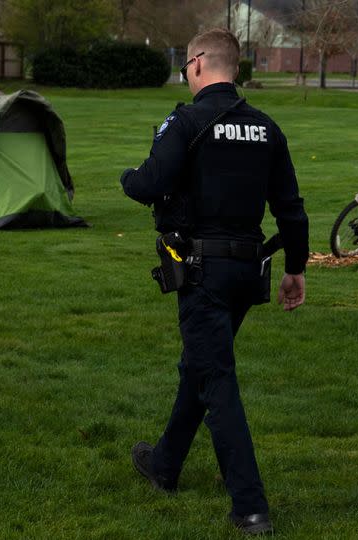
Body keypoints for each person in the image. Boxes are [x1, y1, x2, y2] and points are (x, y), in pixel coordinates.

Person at [120, 28, 308, 536]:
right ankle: (163, 465)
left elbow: (149, 184)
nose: (185, 73)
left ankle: (250, 506)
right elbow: (290, 208)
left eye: (185, 66)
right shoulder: (267, 128)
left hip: (203, 273)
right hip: (249, 272)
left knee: (216, 379)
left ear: (198, 63)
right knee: (200, 366)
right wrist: (296, 269)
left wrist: (126, 178)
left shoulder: (186, 120)